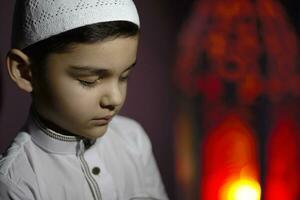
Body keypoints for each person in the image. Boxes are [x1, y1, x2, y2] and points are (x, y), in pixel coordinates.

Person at [0, 0, 169, 199]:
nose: (115, 98)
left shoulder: (133, 139)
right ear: (25, 72)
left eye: (124, 76)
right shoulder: (15, 182)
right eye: (89, 80)